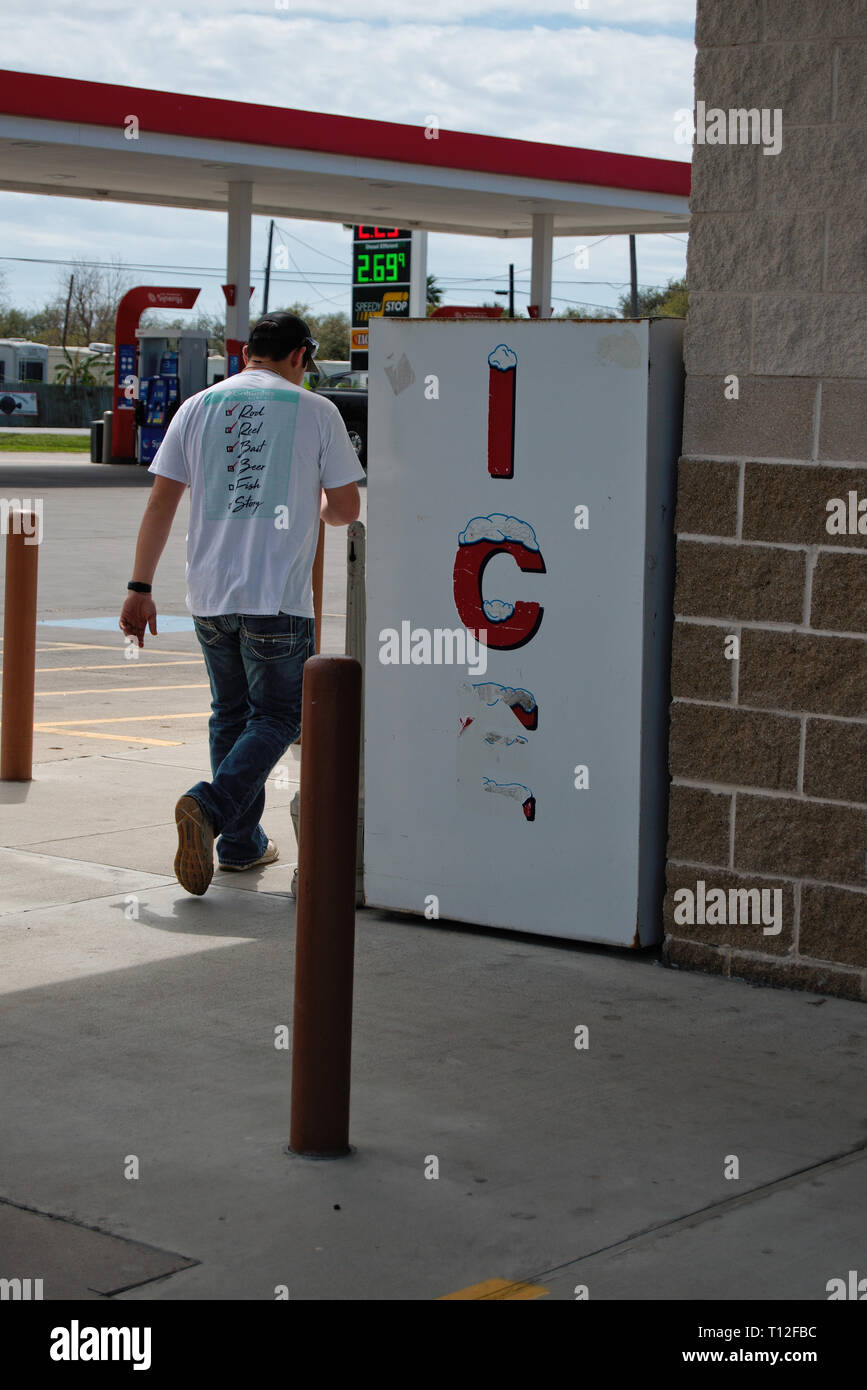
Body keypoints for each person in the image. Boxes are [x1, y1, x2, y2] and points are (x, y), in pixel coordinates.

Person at [119, 312, 364, 895]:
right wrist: (319, 511)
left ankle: (240, 843)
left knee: (231, 714)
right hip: (276, 595)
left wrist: (139, 587)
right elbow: (346, 507)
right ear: (301, 356)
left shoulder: (198, 406)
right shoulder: (317, 410)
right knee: (280, 717)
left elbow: (160, 504)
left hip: (209, 593)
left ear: (248, 352)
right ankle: (209, 806)